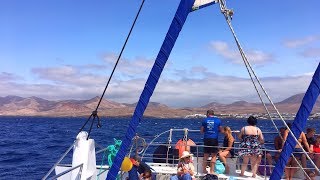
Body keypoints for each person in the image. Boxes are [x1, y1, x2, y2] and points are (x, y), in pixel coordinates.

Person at [200, 110, 221, 174]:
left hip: (206, 139)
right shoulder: (218, 120)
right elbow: (220, 129)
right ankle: (212, 171)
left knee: (205, 155)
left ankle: (204, 170)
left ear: (208, 114)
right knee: (213, 156)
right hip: (214, 139)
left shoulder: (204, 120)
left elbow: (201, 131)